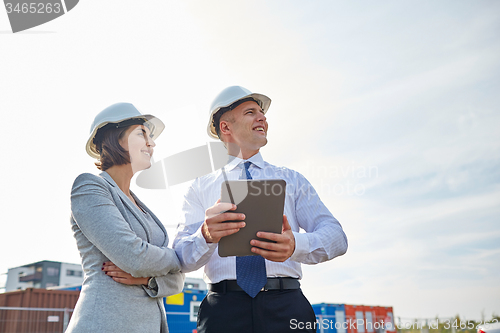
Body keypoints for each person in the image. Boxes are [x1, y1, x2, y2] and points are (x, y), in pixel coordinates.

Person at [173, 86, 348, 333]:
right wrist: (206, 235)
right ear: (226, 128)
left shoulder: (293, 180)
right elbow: (179, 257)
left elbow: (337, 237)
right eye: (250, 112)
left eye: (262, 113)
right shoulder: (200, 188)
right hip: (223, 313)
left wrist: (296, 245)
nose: (262, 117)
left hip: (287, 308)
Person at [67, 103, 184, 333]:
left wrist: (147, 280)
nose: (152, 143)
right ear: (115, 139)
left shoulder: (140, 204)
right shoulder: (89, 187)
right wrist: (178, 258)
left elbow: (178, 281)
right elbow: (134, 257)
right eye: (142, 133)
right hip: (104, 324)